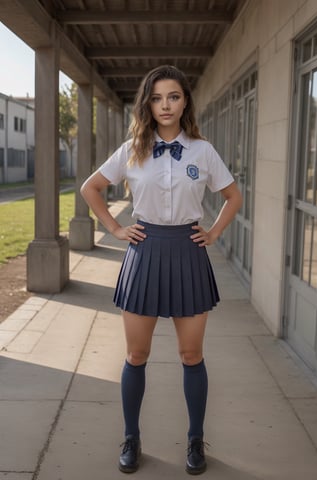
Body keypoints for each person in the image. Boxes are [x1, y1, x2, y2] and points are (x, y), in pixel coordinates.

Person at [81, 64, 242, 475]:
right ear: (147, 104)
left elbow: (232, 196)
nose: (165, 105)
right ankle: (131, 437)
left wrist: (214, 233)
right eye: (156, 98)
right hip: (145, 250)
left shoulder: (202, 151)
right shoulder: (133, 148)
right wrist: (116, 228)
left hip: (188, 253)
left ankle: (194, 440)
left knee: (191, 355)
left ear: (185, 100)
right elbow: (91, 188)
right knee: (137, 354)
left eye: (173, 96)